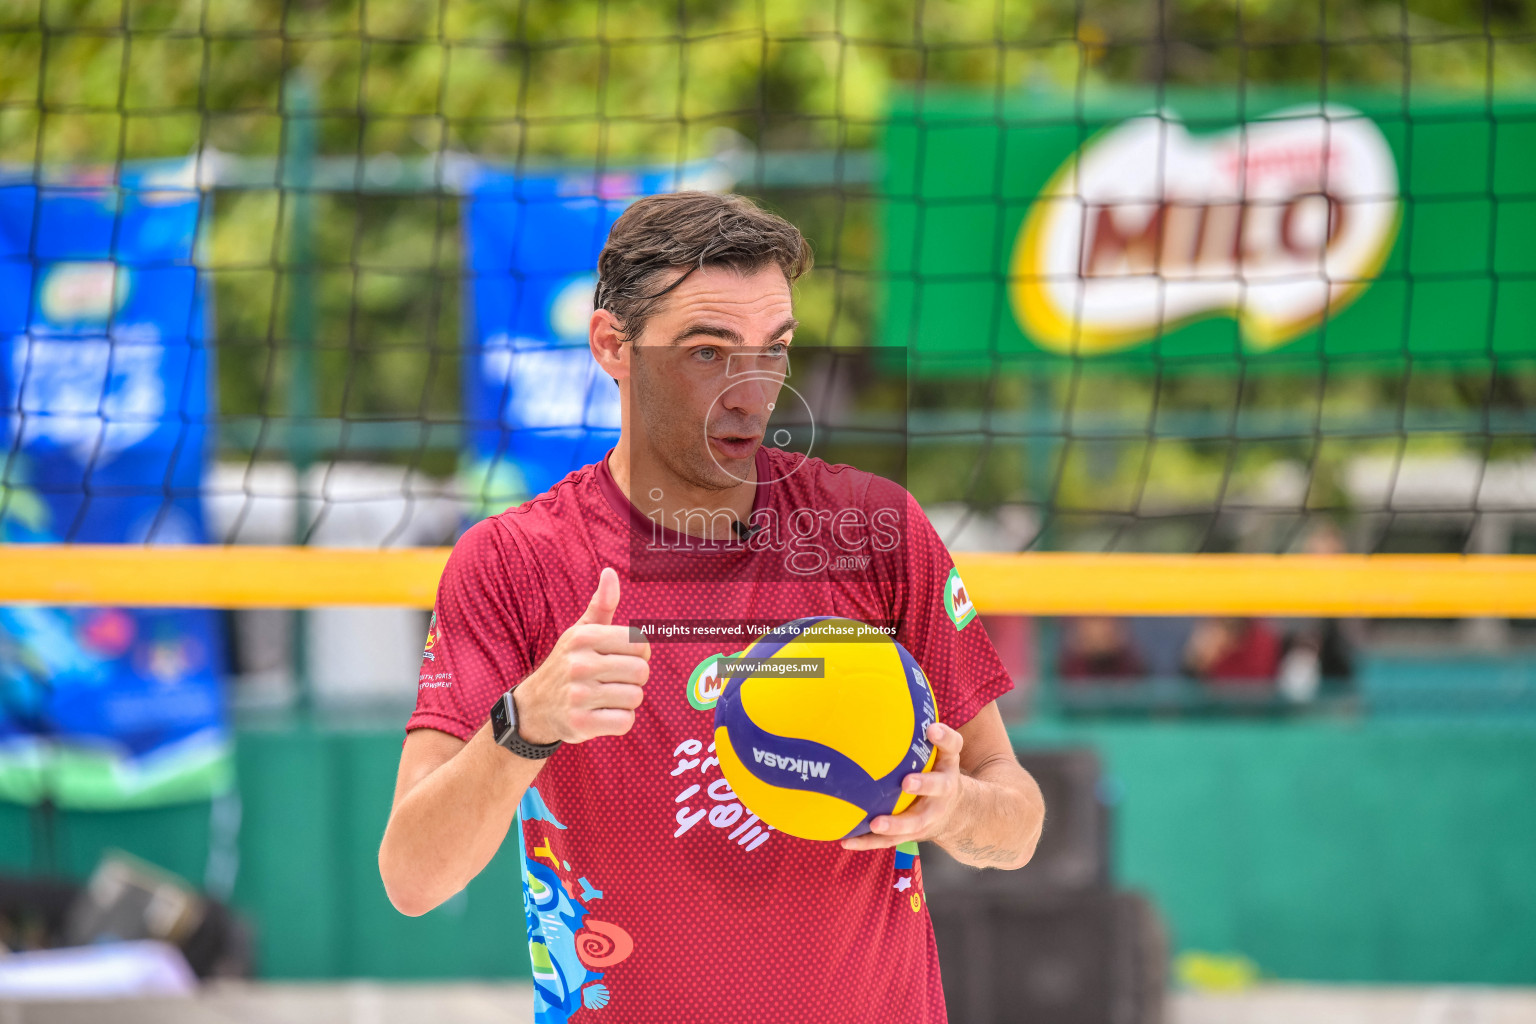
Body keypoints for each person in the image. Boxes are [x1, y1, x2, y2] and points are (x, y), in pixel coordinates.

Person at [378, 192, 1045, 1024]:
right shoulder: (513, 561)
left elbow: (1016, 821)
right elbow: (412, 878)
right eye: (707, 352)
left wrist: (956, 808)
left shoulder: (874, 533)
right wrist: (527, 723)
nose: (752, 391)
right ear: (611, 347)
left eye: (776, 349)